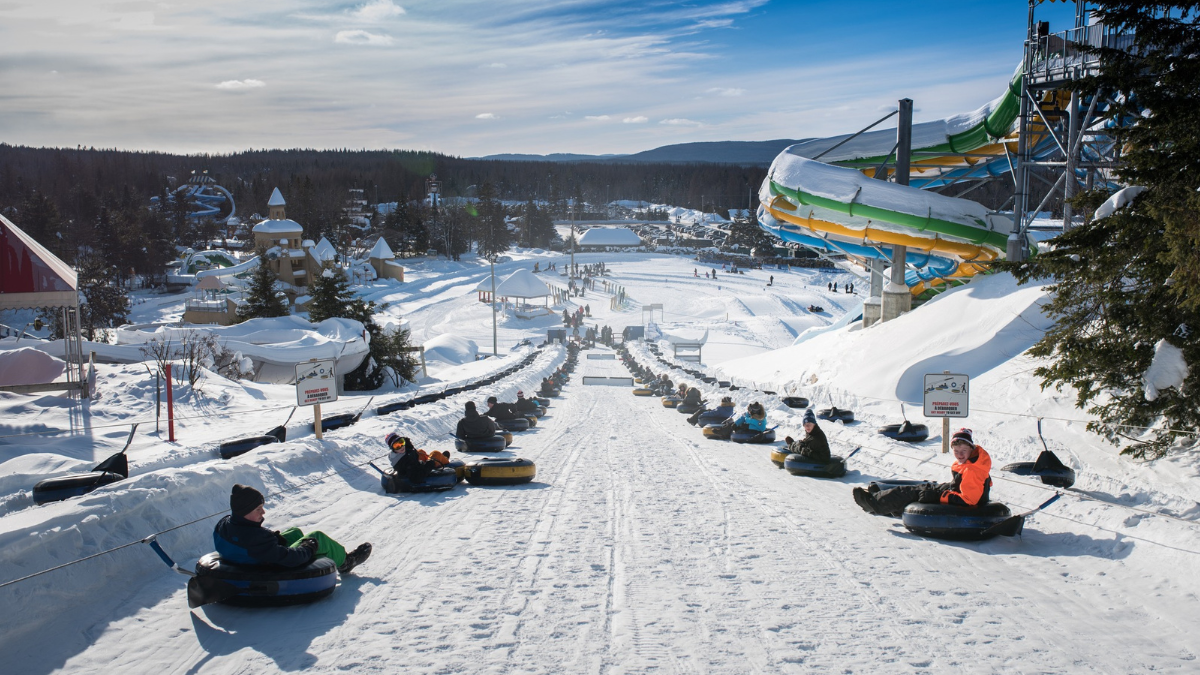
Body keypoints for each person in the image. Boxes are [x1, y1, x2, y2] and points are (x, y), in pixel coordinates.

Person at [214, 484, 371, 575]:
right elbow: (290, 558)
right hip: (268, 566)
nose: (263, 513)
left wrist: (274, 539)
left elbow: (254, 540)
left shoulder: (223, 525)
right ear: (245, 511)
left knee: (294, 532)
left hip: (249, 555)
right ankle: (346, 562)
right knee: (317, 537)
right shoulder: (255, 539)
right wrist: (308, 548)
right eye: (258, 509)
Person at [852, 428, 992, 517]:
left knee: (912, 492)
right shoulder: (971, 462)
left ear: (971, 449)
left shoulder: (972, 469)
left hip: (963, 502)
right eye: (956, 451)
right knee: (923, 487)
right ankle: (882, 497)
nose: (959, 455)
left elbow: (969, 500)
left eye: (963, 451)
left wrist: (940, 495)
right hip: (956, 491)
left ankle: (875, 503)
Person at [386, 433, 450, 484]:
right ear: (392, 449)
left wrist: (408, 444)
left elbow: (410, 452)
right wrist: (430, 464)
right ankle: (443, 460)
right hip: (418, 470)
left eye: (401, 442)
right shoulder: (406, 461)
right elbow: (416, 478)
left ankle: (438, 458)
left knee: (420, 451)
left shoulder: (396, 455)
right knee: (436, 454)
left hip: (415, 464)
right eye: (397, 446)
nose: (401, 446)